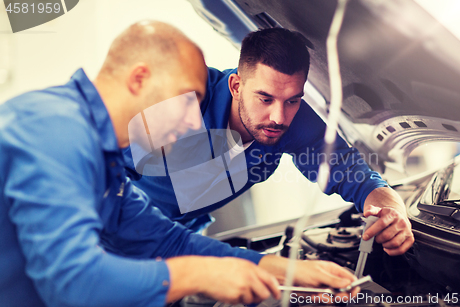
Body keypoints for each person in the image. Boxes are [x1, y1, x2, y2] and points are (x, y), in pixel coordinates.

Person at [0, 21, 358, 307]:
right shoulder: (52, 128)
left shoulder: (100, 154)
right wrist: (195, 276)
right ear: (139, 78)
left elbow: (167, 241)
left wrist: (286, 269)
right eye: (188, 98)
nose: (192, 123)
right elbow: (72, 284)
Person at [123, 27, 414, 256]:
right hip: (115, 229)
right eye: (265, 98)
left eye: (292, 100)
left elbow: (356, 175)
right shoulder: (184, 102)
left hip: (182, 240)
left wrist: (394, 212)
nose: (279, 117)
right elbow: (101, 171)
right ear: (236, 86)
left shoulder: (295, 122)